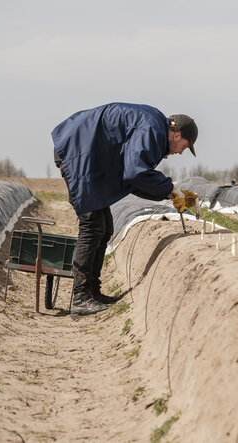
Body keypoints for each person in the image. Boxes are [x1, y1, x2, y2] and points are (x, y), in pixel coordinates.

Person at [52, 102, 199, 315]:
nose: (181, 153)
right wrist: (169, 189)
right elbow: (135, 173)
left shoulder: (153, 128)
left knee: (105, 228)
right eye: (184, 147)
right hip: (78, 153)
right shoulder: (152, 129)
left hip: (87, 155)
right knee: (92, 226)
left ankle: (92, 291)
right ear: (177, 135)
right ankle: (81, 296)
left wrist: (167, 192)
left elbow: (133, 179)